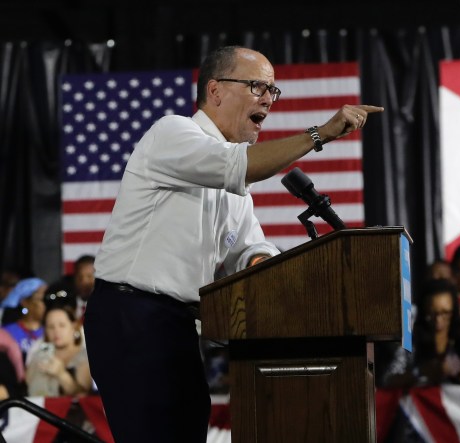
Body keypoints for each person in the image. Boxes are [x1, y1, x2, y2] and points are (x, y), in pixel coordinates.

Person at [83, 46, 383, 443]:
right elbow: (237, 167)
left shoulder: (236, 186)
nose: (268, 99)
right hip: (131, 315)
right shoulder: (173, 133)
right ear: (216, 90)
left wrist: (264, 263)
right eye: (258, 86)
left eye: (273, 91)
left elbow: (248, 249)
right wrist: (320, 133)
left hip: (178, 327)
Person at [381, 279, 460, 387]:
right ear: (423, 311)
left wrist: (456, 372)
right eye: (432, 314)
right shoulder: (410, 340)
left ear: (454, 312)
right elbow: (388, 379)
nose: (439, 320)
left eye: (445, 313)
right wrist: (419, 372)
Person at [26, 306, 91, 397]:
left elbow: (83, 396)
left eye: (62, 325)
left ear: (74, 327)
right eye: (51, 327)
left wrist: (61, 375)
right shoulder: (38, 356)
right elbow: (27, 385)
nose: (56, 331)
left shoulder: (85, 356)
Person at [2, 278, 46, 361]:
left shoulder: (52, 330)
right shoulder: (7, 332)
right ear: (25, 302)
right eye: (42, 299)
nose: (46, 304)